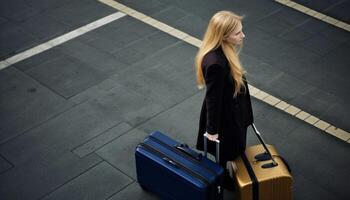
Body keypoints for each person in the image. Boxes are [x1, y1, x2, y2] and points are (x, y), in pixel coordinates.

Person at [195, 10, 254, 190]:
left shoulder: (222, 50)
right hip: (227, 117)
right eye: (238, 33)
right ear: (224, 35)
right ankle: (223, 179)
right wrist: (212, 130)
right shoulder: (215, 63)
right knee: (226, 150)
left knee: (229, 149)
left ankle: (225, 174)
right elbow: (213, 100)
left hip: (232, 110)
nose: (243, 35)